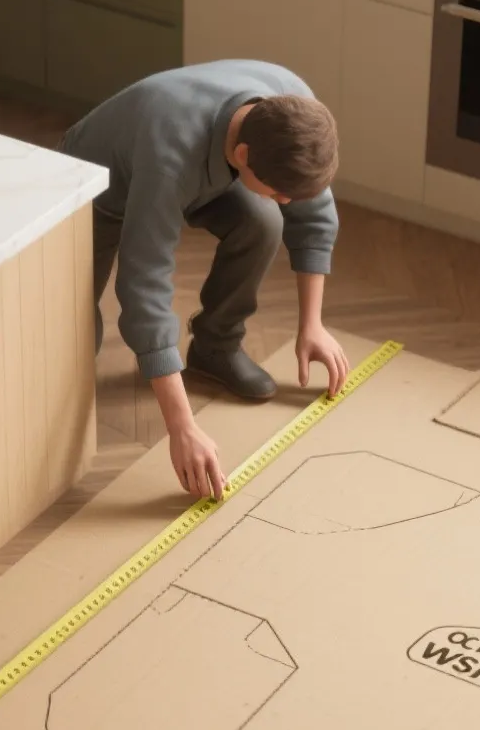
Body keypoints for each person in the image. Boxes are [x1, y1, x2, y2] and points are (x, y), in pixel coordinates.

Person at [59, 60, 351, 502]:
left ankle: (215, 347)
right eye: (278, 189)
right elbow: (144, 287)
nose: (287, 200)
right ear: (245, 156)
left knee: (264, 221)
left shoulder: (291, 106)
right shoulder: (169, 157)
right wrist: (182, 427)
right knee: (78, 339)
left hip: (195, 174)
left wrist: (312, 324)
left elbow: (312, 215)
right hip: (95, 188)